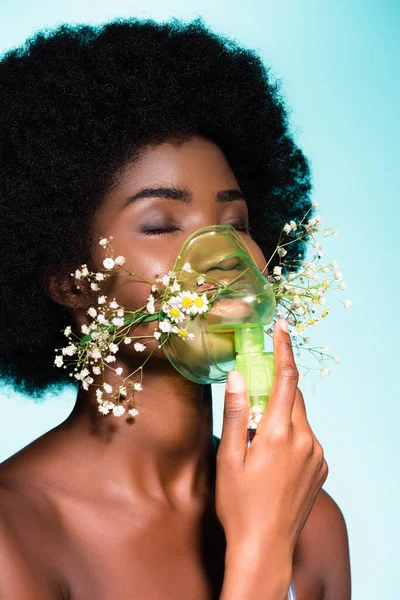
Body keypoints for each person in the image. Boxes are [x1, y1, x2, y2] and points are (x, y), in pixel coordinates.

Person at [0, 17, 351, 599]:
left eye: (235, 224)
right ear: (68, 280)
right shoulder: (15, 535)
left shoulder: (313, 522)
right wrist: (260, 547)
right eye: (162, 225)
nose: (222, 255)